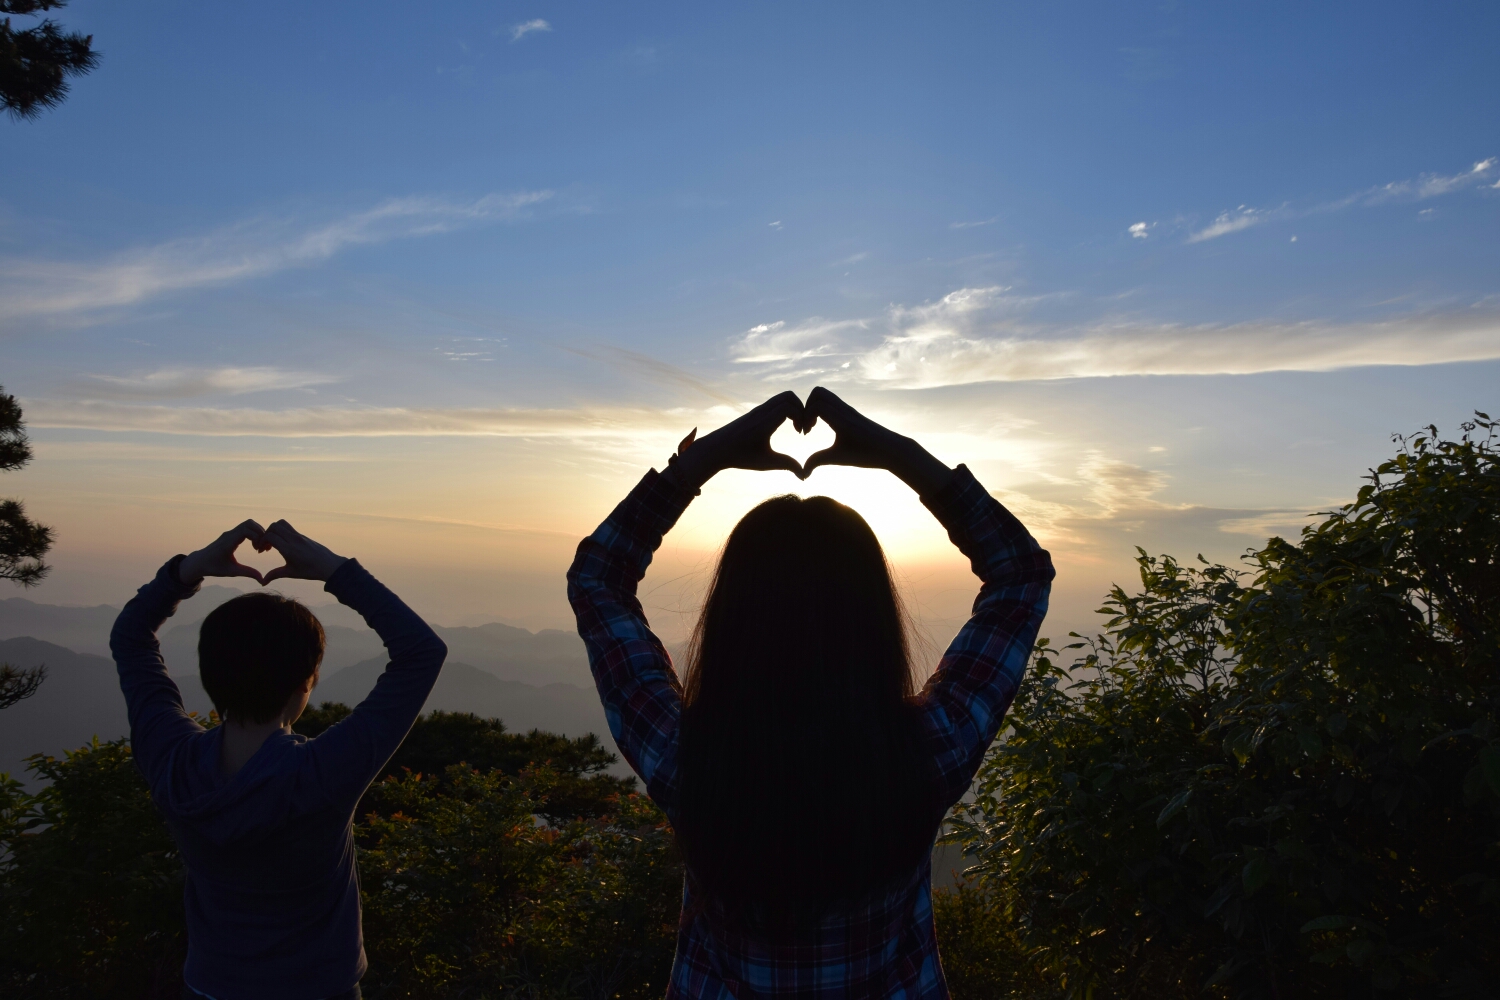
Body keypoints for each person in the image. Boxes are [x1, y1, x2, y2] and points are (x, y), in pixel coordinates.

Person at [568, 386, 1055, 997]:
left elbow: (598, 577)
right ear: (873, 621)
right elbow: (1021, 574)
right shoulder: (928, 751)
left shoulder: (684, 756)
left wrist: (699, 463)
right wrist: (900, 456)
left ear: (731, 618)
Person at [110, 519, 447, 1000]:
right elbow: (421, 651)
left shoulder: (171, 761)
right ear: (306, 682)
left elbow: (131, 637)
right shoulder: (320, 775)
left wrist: (190, 569)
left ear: (209, 676)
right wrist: (333, 570)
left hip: (209, 987)